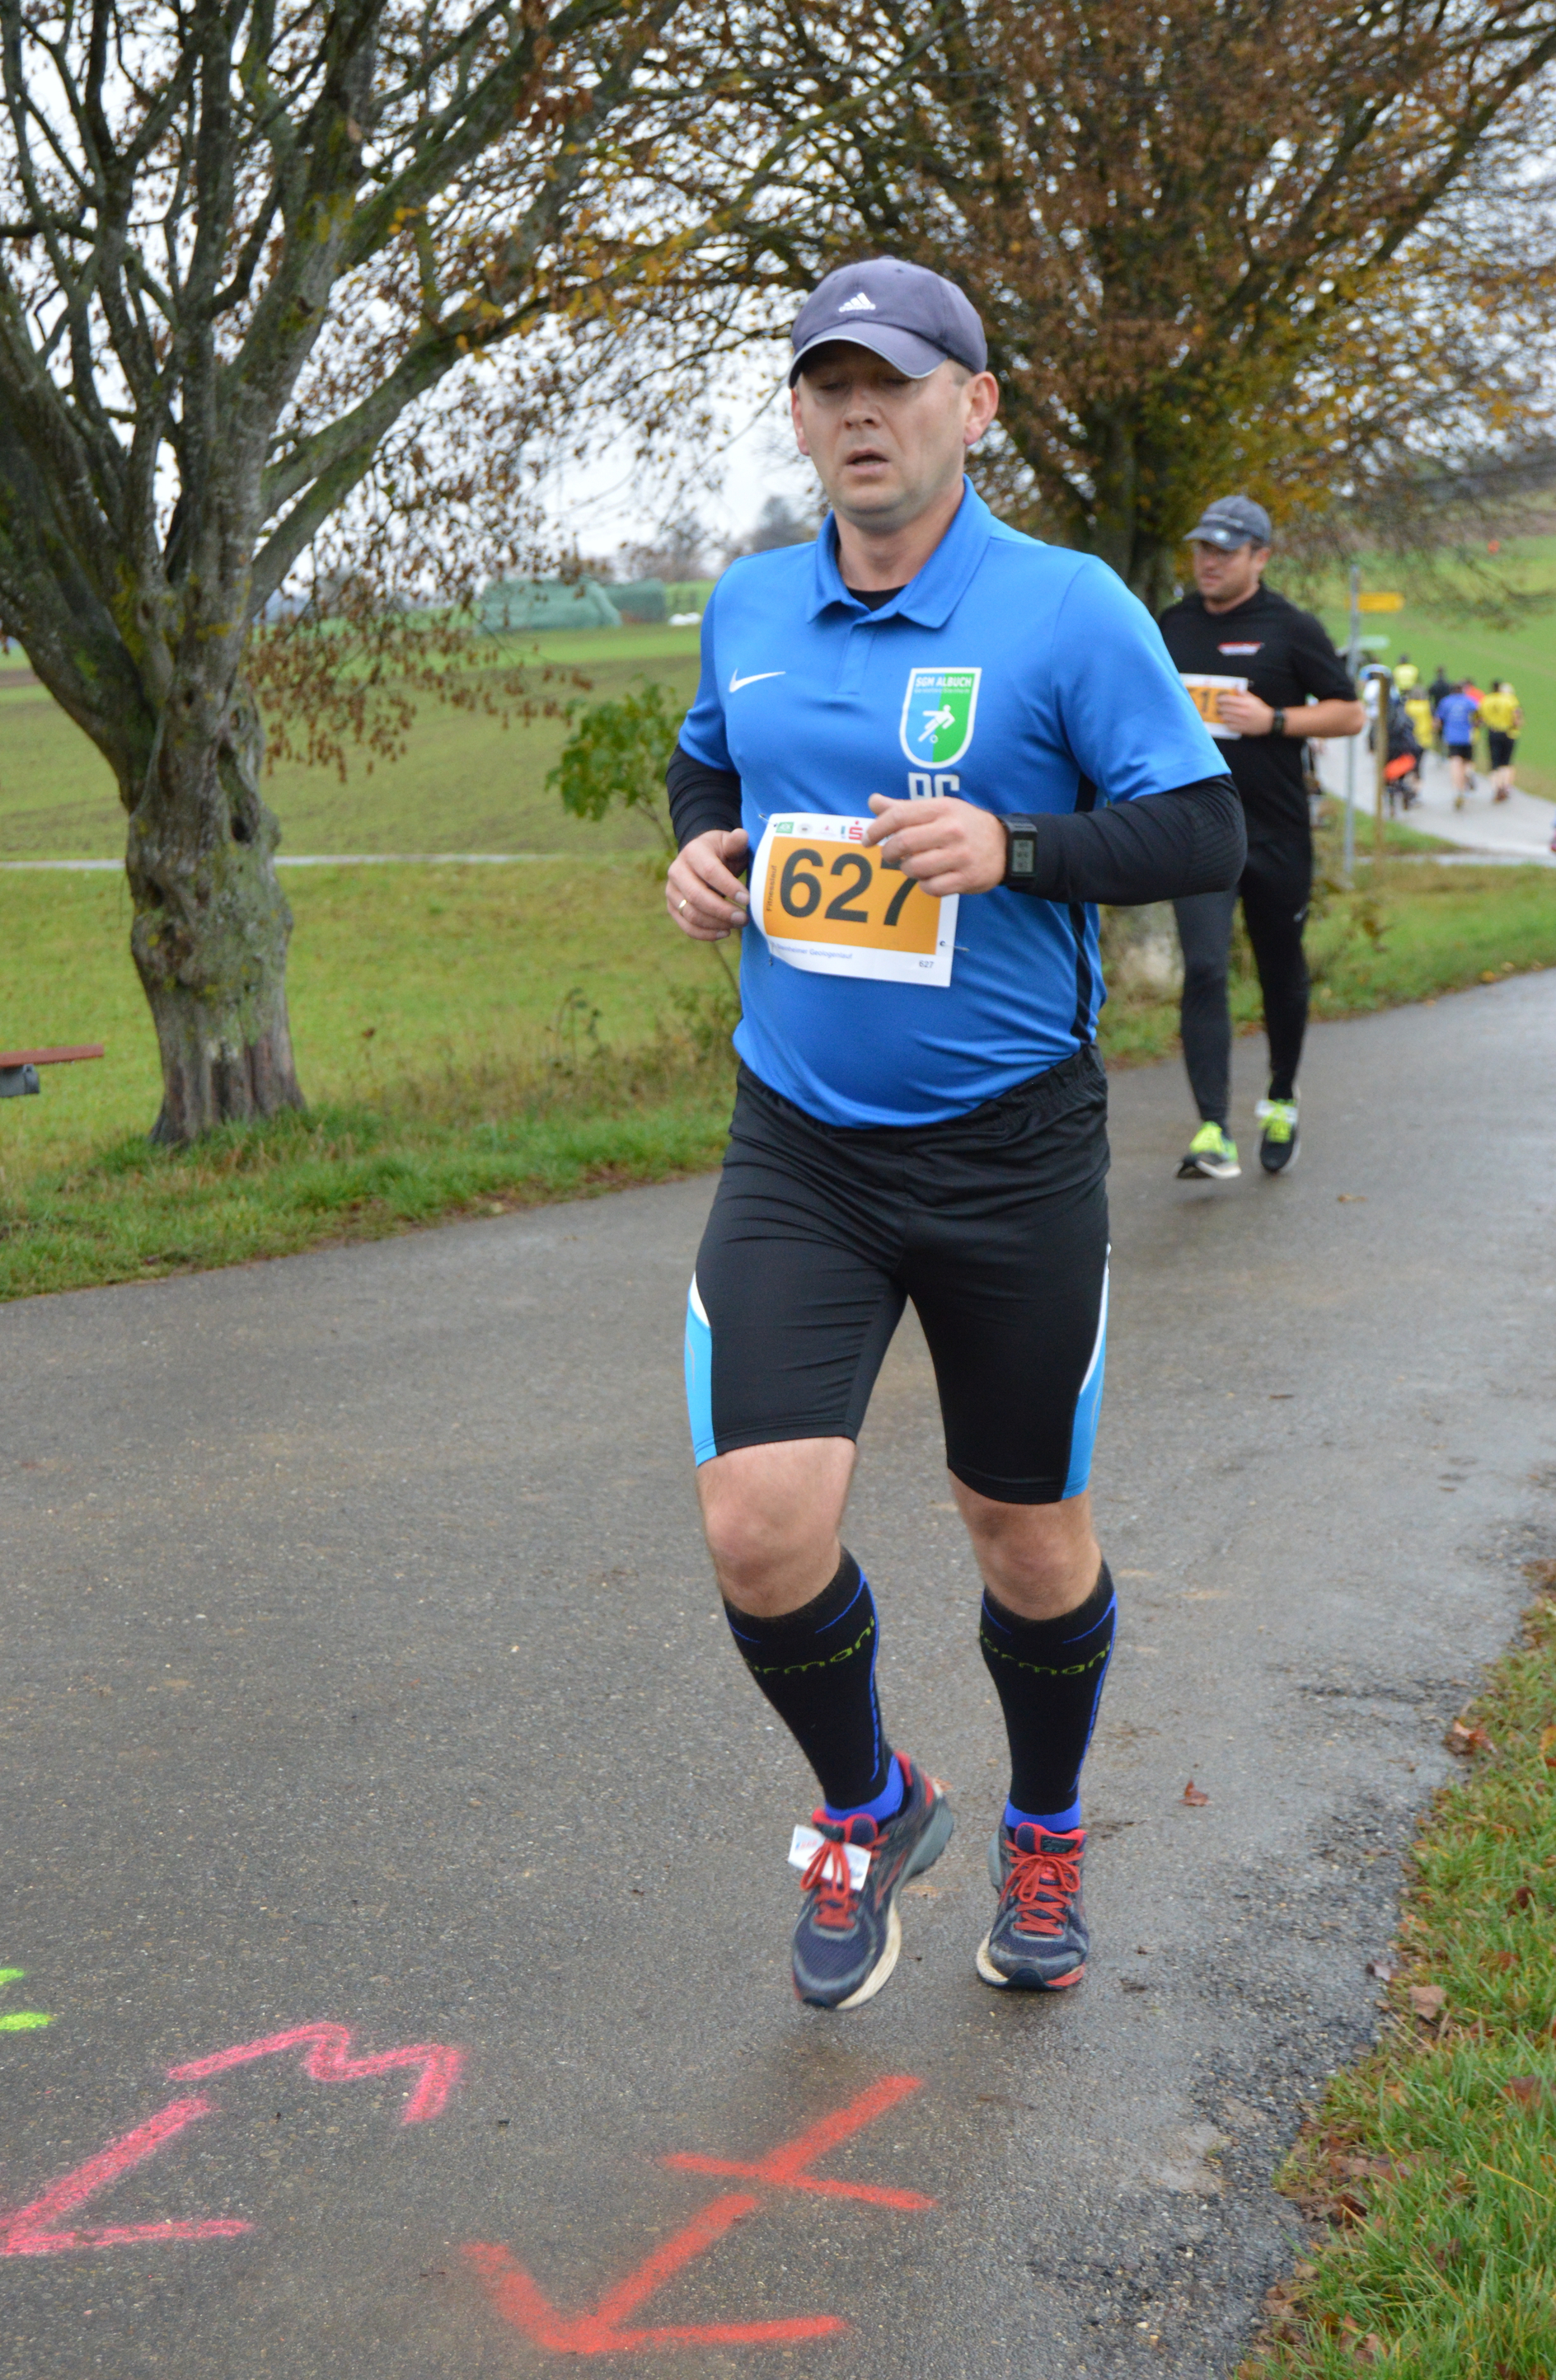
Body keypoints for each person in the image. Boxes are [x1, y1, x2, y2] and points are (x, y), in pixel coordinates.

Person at [663, 256, 1243, 2011]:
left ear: (972, 408)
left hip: (1010, 1151)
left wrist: (1018, 849)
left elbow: (1201, 830)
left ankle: (1045, 1826)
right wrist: (698, 848)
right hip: (803, 1146)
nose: (860, 414)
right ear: (798, 417)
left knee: (1025, 1533)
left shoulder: (1065, 609)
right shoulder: (749, 607)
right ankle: (871, 1804)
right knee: (760, 1525)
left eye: (896, 384)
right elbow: (712, 761)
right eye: (829, 386)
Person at [1158, 500, 1366, 1181]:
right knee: (1205, 967)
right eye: (1203, 548)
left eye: (1225, 550)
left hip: (1275, 832)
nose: (1209, 561)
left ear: (1261, 556)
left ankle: (1280, 1097)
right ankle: (1213, 1129)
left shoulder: (1291, 628)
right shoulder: (1172, 625)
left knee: (1280, 968)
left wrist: (1273, 720)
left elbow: (1350, 713)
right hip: (1197, 830)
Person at [1434, 681, 1479, 807]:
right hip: (1467, 737)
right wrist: (1475, 724)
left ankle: (1457, 791)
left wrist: (1436, 729)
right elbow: (1479, 714)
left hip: (1452, 737)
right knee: (1467, 762)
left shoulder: (1446, 702)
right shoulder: (1469, 701)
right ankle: (1468, 775)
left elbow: (1438, 720)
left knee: (1455, 764)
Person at [1479, 679, 1523, 801]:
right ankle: (1505, 786)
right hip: (1508, 732)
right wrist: (1516, 725)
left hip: (1493, 731)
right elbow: (1517, 716)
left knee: (1494, 763)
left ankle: (1496, 787)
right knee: (1506, 762)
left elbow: (1481, 717)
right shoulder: (1509, 699)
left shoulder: (1487, 700)